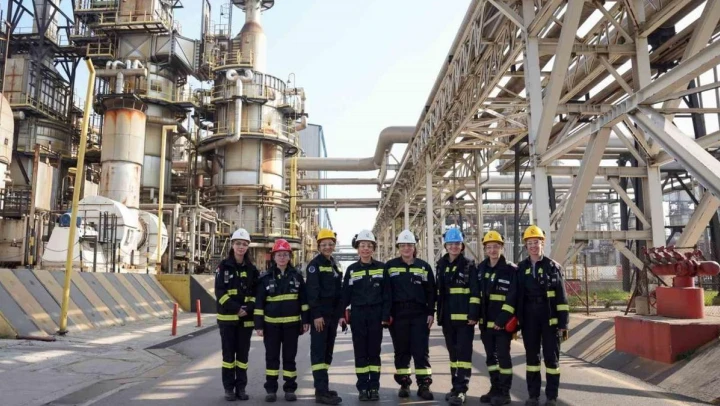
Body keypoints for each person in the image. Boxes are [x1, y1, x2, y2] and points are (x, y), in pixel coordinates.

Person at [516, 225, 569, 406]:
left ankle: (551, 397)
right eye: (530, 243)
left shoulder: (553, 267)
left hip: (549, 320)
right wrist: (516, 321)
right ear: (526, 246)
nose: (533, 246)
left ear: (542, 243)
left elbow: (562, 298)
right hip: (529, 320)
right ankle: (533, 396)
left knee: (551, 359)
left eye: (536, 242)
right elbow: (516, 296)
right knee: (532, 359)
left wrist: (563, 323)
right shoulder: (520, 268)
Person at [254, 239, 310, 403]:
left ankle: (290, 389)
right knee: (271, 358)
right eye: (279, 255)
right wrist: (258, 325)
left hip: (292, 326)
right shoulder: (265, 278)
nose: (282, 257)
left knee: (289, 358)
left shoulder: (297, 277)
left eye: (285, 254)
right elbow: (259, 304)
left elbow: (303, 301)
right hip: (271, 326)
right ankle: (271, 390)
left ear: (290, 256)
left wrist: (305, 320)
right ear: (274, 257)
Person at [383, 229, 436, 400]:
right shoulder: (390, 267)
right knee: (401, 350)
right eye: (403, 245)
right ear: (398, 247)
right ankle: (404, 383)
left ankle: (424, 385)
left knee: (421, 350)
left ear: (414, 247)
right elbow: (386, 292)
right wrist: (386, 314)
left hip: (419, 314)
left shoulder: (424, 267)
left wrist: (431, 312)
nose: (406, 248)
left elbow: (431, 292)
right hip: (398, 314)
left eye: (409, 245)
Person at [435, 227, 480, 405]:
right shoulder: (441, 265)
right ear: (446, 246)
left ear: (462, 246)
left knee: (463, 356)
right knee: (453, 356)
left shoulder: (469, 265)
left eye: (457, 244)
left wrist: (473, 314)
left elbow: (475, 293)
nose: (454, 246)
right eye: (450, 244)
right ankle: (455, 387)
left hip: (464, 320)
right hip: (447, 319)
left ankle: (461, 390)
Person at [339, 229, 386, 401]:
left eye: (369, 246)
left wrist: (385, 315)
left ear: (373, 248)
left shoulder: (382, 268)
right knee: (360, 353)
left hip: (376, 315)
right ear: (357, 248)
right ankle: (363, 388)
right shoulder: (351, 270)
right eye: (362, 245)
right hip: (358, 315)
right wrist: (341, 315)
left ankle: (374, 387)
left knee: (374, 352)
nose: (365, 249)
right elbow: (345, 294)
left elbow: (387, 294)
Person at [215, 228, 259, 401]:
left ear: (248, 247)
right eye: (238, 243)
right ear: (232, 245)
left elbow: (256, 294)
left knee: (242, 357)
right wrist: (236, 308)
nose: (241, 247)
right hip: (227, 320)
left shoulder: (252, 270)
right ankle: (229, 389)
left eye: (244, 244)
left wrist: (248, 308)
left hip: (245, 321)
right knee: (228, 357)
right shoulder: (223, 267)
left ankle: (241, 388)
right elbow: (220, 292)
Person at [478, 230, 518, 406]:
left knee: (503, 357)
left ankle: (505, 392)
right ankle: (494, 388)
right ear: (485, 249)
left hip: (501, 324)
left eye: (495, 246)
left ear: (501, 247)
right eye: (489, 247)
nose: (492, 250)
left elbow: (512, 297)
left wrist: (501, 320)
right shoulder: (481, 268)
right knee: (490, 358)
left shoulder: (511, 270)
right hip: (485, 323)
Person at [305, 228, 344, 405]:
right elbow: (312, 292)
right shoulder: (315, 265)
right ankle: (320, 392)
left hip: (332, 316)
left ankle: (324, 387)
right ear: (319, 246)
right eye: (324, 244)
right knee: (319, 353)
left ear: (334, 245)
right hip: (321, 316)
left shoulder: (334, 264)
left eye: (330, 244)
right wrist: (316, 315)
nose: (327, 247)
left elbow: (339, 291)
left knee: (328, 352)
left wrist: (340, 314)